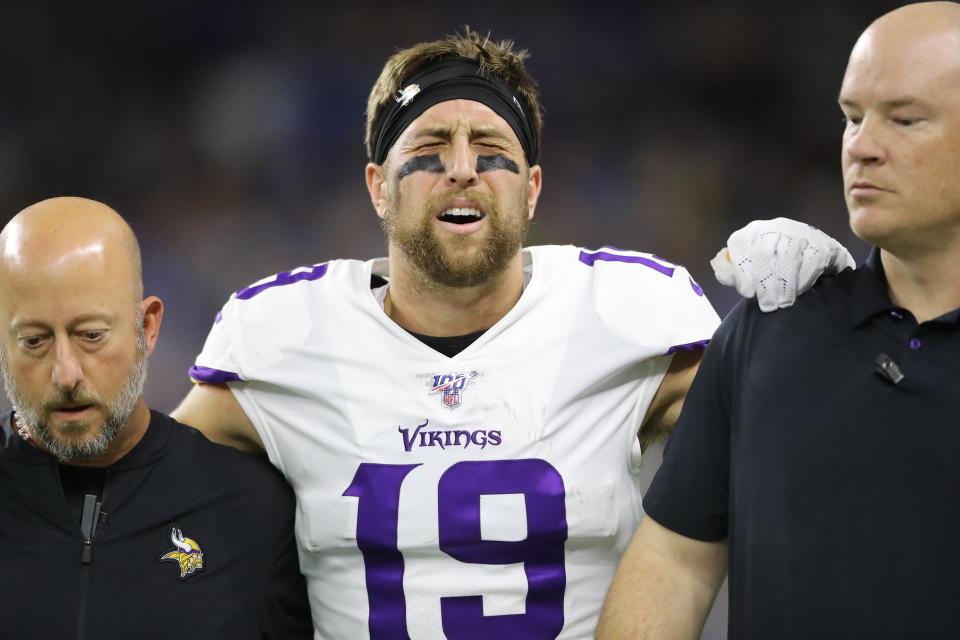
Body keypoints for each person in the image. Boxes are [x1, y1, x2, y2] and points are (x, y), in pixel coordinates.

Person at [172, 28, 851, 638]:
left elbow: (810, 448)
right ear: (379, 187)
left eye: (491, 149)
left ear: (531, 189)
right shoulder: (286, 337)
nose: (462, 167)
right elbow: (138, 486)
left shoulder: (629, 313)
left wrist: (825, 322)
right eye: (431, 148)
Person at [596, 3, 960, 639]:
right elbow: (675, 561)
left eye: (905, 120)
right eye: (852, 117)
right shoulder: (771, 327)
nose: (862, 147)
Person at [0, 197, 312, 639]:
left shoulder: (252, 508)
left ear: (147, 327)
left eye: (91, 336)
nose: (65, 373)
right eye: (34, 341)